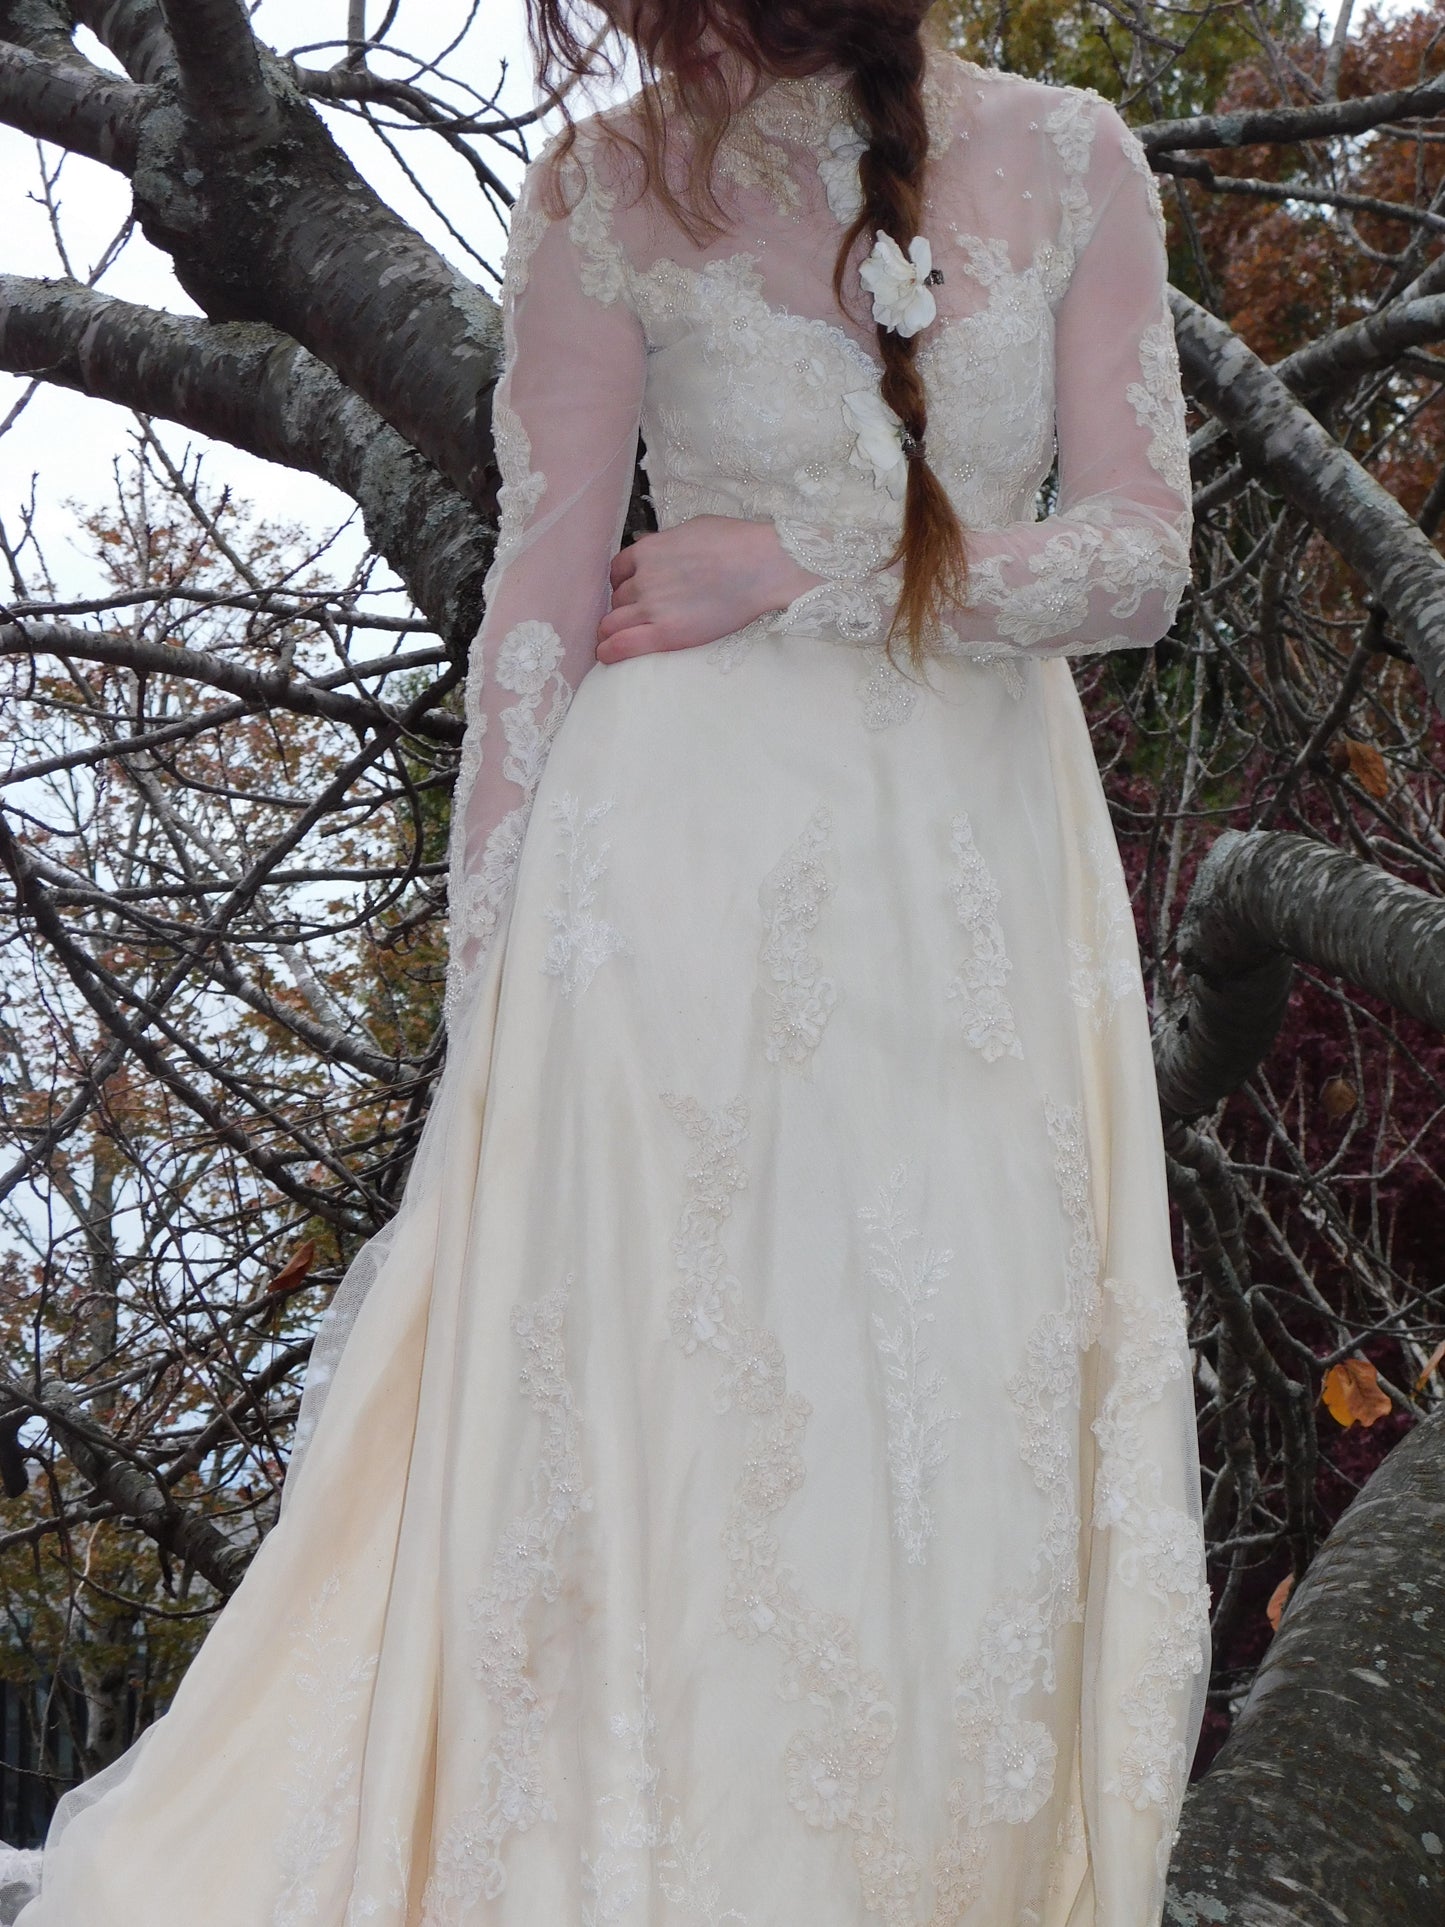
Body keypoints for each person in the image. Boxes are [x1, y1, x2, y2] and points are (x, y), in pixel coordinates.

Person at [15, 0, 1212, 1920]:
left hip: (977, 910)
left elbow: (1139, 560)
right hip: (663, 908)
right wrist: (492, 1012)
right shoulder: (594, 182)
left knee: (956, 1420)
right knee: (694, 1425)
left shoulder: (1074, 155)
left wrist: (804, 571)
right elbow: (535, 620)